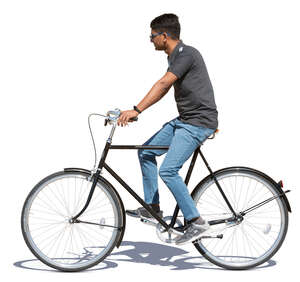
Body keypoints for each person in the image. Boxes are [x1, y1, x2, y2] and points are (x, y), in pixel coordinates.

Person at [117, 13, 218, 245]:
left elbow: (163, 84)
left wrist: (136, 110)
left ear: (164, 36)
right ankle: (152, 208)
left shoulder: (186, 54)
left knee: (168, 171)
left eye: (152, 36)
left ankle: (196, 222)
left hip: (197, 122)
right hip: (186, 120)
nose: (150, 40)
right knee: (146, 151)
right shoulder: (175, 57)